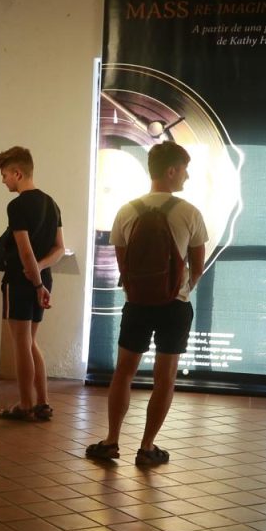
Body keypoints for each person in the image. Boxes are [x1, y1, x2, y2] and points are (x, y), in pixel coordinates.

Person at [86, 142, 208, 465]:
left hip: (137, 305)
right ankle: (147, 447)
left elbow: (123, 267)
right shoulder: (190, 213)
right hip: (175, 307)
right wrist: (181, 288)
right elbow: (198, 266)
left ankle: (111, 440)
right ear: (171, 171)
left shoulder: (126, 211)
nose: (187, 176)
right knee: (164, 378)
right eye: (184, 169)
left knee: (123, 373)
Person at [0, 146, 65, 422]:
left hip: (22, 283)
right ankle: (43, 403)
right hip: (42, 279)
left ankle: (25, 404)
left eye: (5, 175)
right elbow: (59, 248)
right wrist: (41, 274)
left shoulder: (18, 205)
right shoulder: (51, 203)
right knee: (32, 341)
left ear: (18, 173)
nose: (3, 181)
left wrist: (34, 283)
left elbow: (25, 253)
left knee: (21, 344)